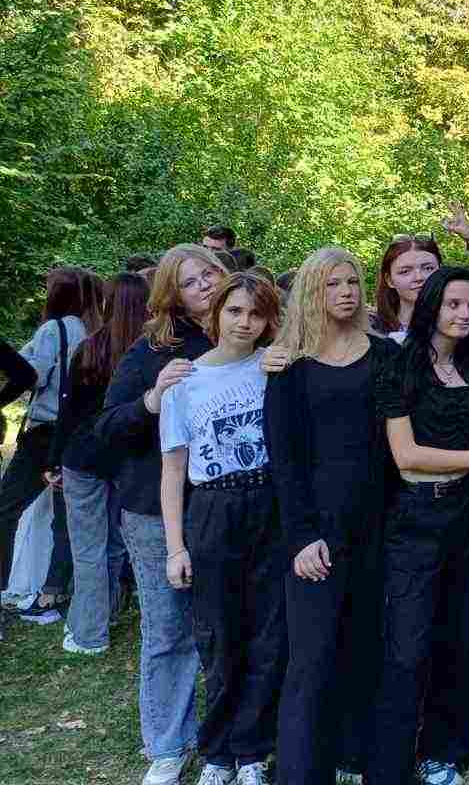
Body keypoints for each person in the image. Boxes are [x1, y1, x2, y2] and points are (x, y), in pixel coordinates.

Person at [370, 266, 469, 785]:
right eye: (454, 304)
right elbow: (407, 456)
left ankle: (444, 754)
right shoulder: (399, 363)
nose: (464, 314)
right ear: (432, 305)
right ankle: (390, 765)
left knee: (460, 640)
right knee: (407, 646)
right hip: (416, 519)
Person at [263, 248, 398, 785]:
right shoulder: (289, 365)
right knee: (312, 657)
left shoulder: (383, 355)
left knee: (365, 646)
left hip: (376, 525)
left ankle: (356, 757)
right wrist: (301, 537)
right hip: (315, 530)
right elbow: (284, 459)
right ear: (312, 292)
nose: (345, 292)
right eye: (332, 284)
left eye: (352, 282)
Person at [94, 243, 227, 785]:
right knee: (169, 628)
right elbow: (106, 428)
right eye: (190, 281)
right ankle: (169, 745)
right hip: (155, 508)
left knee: (227, 626)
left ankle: (229, 744)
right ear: (172, 294)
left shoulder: (251, 330)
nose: (205, 286)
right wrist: (150, 401)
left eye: (209, 274)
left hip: (230, 506)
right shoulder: (153, 349)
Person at [159, 272, 287, 785]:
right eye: (234, 311)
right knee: (219, 634)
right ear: (216, 314)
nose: (244, 322)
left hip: (270, 505)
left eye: (256, 314)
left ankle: (252, 751)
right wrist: (175, 547)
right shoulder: (184, 382)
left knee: (268, 632)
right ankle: (218, 754)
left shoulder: (276, 366)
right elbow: (172, 470)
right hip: (214, 507)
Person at [49, 272, 146, 654]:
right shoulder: (148, 352)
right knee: (114, 544)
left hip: (87, 457)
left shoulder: (90, 348)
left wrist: (54, 459)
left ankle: (90, 633)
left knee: (89, 547)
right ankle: (105, 613)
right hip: (124, 458)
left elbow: (68, 410)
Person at [0, 266, 95, 623]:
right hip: (75, 429)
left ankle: (7, 585)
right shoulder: (88, 329)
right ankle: (53, 590)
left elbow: (32, 376)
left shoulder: (53, 330)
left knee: (6, 508)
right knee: (64, 517)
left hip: (44, 432)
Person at [370, 235, 443, 338]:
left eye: (428, 268)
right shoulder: (371, 330)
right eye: (405, 271)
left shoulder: (459, 324)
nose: (419, 277)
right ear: (389, 280)